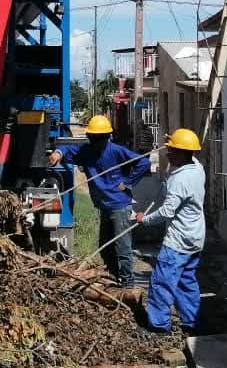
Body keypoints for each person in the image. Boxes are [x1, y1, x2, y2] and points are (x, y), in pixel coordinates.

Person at [49, 114, 151, 291]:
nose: (95, 141)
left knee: (122, 248)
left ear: (106, 137)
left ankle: (128, 285)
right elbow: (68, 149)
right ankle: (113, 278)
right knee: (105, 247)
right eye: (93, 137)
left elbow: (143, 163)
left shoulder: (116, 151)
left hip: (119, 207)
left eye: (99, 138)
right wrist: (58, 153)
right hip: (104, 207)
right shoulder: (87, 152)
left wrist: (128, 182)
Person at [134, 128, 205, 334]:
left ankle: (158, 326)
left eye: (172, 151)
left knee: (161, 282)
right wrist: (173, 141)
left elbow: (167, 211)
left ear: (182, 153)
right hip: (196, 239)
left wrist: (144, 219)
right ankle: (192, 322)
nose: (168, 154)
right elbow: (193, 156)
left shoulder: (179, 179)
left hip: (178, 241)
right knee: (186, 281)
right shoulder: (198, 170)